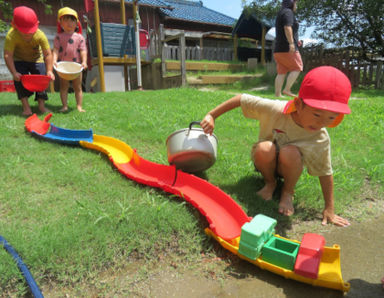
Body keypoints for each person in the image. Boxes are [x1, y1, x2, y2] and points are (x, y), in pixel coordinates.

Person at [200, 66, 351, 227]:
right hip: (266, 160)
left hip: (291, 166)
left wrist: (329, 208)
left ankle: (287, 192)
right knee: (264, 148)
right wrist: (211, 115)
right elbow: (241, 98)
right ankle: (270, 183)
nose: (321, 123)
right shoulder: (276, 109)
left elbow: (325, 172)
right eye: (316, 114)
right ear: (299, 104)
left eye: (331, 118)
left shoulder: (320, 137)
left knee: (290, 152)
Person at [3, 6, 55, 116]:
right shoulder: (11, 36)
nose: (28, 34)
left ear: (37, 24)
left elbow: (48, 53)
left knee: (42, 77)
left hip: (36, 58)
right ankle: (26, 108)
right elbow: (8, 55)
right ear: (14, 26)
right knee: (19, 79)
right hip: (19, 59)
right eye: (25, 32)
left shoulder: (40, 35)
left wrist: (49, 71)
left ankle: (41, 106)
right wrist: (13, 72)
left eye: (31, 31)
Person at [53, 7, 87, 112]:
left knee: (78, 87)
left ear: (77, 23)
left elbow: (83, 51)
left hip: (77, 66)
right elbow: (55, 50)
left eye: (72, 20)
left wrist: (84, 61)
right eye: (66, 20)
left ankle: (79, 106)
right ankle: (64, 106)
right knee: (64, 87)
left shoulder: (80, 37)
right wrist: (54, 60)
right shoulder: (58, 36)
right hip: (63, 67)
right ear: (60, 23)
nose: (69, 23)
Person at [273, 0, 303, 97]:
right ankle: (287, 89)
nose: (296, 5)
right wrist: (291, 43)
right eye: (296, 3)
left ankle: (278, 94)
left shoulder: (281, 12)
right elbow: (287, 27)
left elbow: (285, 30)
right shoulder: (288, 12)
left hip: (278, 49)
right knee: (298, 67)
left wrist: (295, 41)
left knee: (282, 71)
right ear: (291, 3)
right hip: (287, 48)